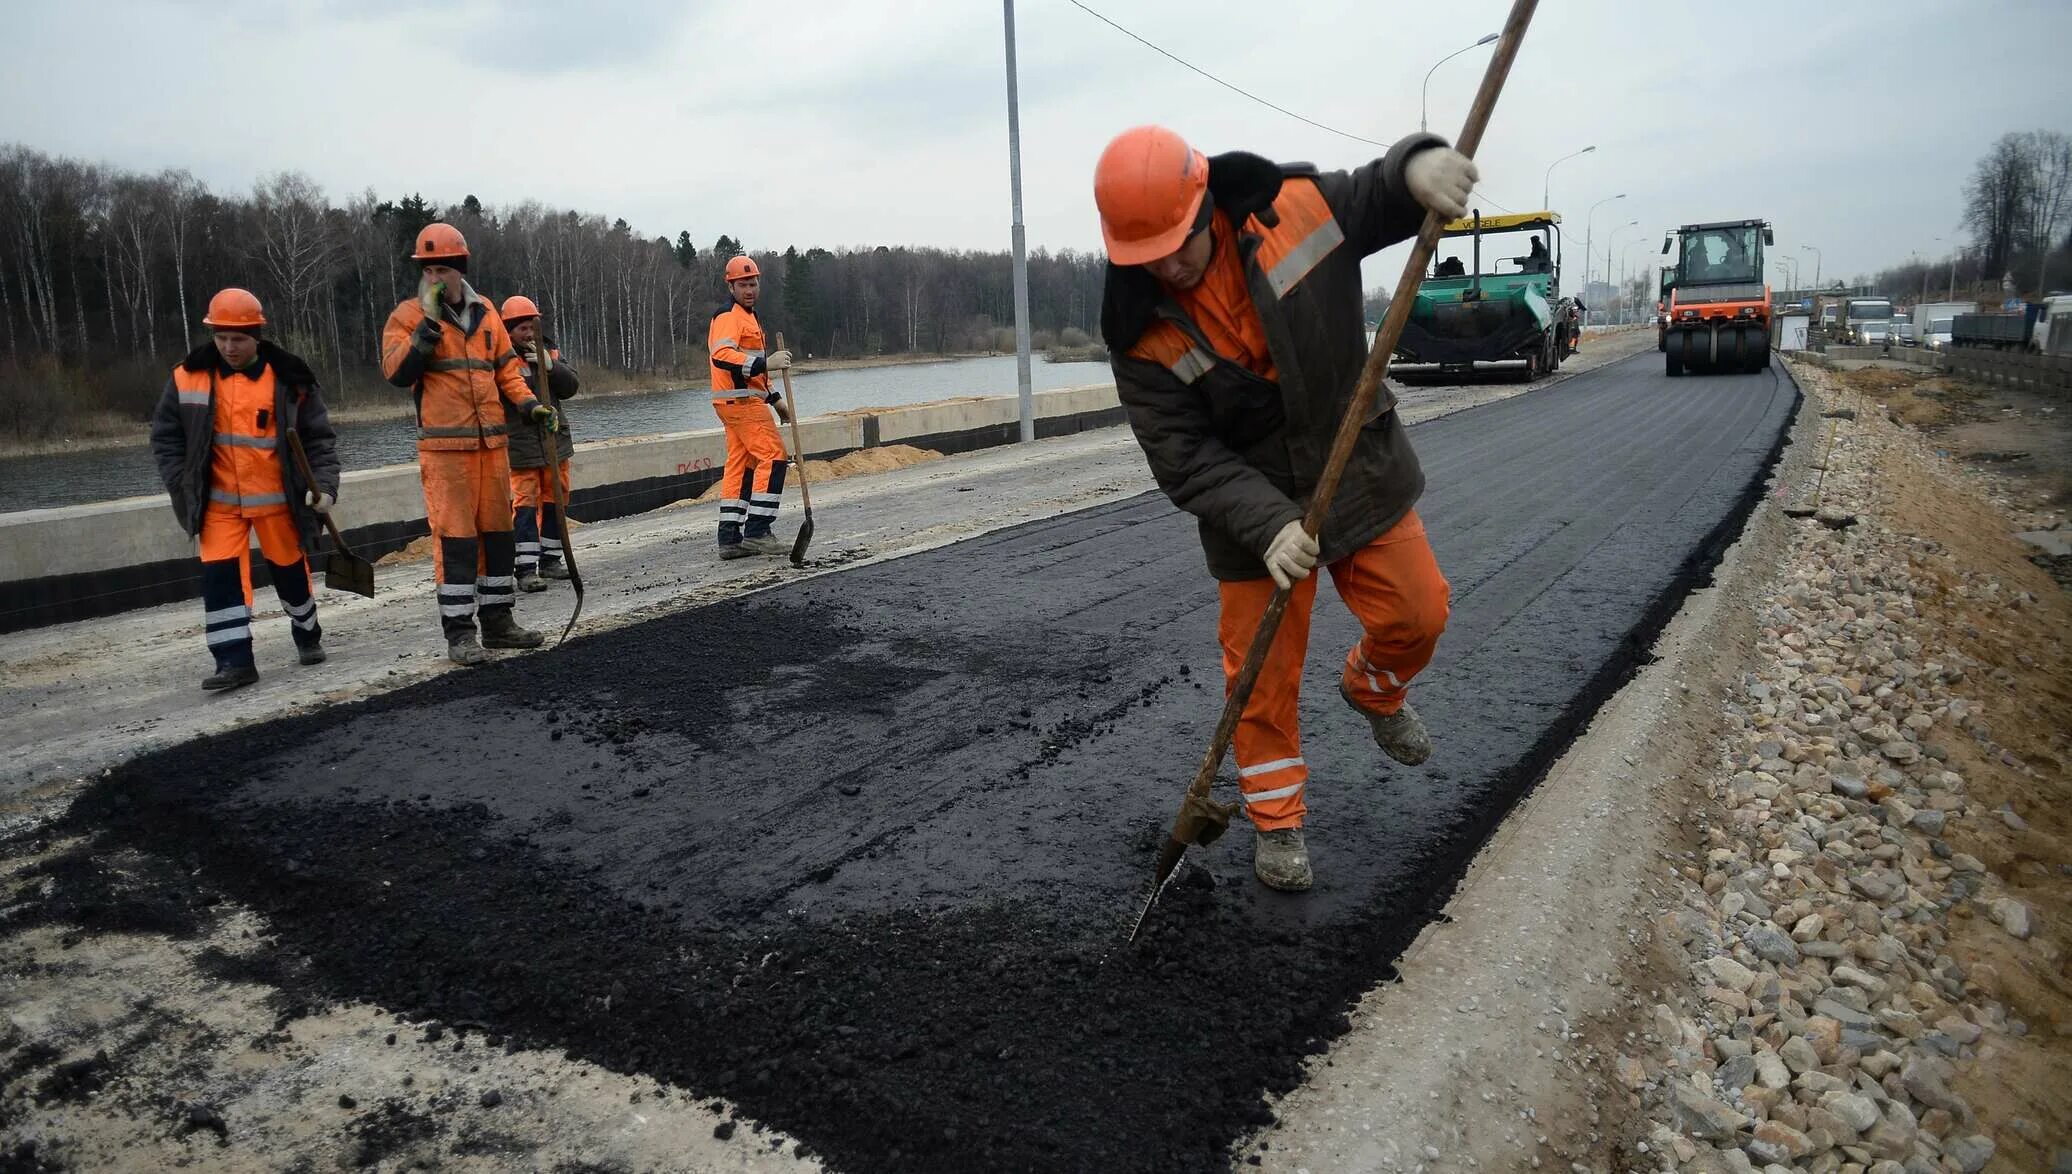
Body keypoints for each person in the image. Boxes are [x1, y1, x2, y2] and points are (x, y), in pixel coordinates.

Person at [1095, 125, 1473, 892]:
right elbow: (1182, 455)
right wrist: (1267, 525)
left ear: (1207, 202)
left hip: (1353, 457)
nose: (1170, 265)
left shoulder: (1291, 208)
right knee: (1260, 678)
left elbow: (1374, 196)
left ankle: (1373, 688)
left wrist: (1417, 168)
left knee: (1419, 612)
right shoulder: (1139, 335)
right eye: (1149, 257)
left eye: (1181, 242)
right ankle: (1277, 823)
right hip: (1249, 504)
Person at [380, 223, 557, 664]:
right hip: (446, 453)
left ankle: (498, 622)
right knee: (455, 541)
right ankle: (460, 633)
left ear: (461, 270)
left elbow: (506, 373)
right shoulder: (407, 317)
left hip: (492, 448)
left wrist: (531, 405)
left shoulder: (487, 317)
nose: (435, 279)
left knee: (498, 536)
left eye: (443, 269)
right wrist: (426, 330)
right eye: (428, 270)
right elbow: (396, 373)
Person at [150, 288, 339, 691]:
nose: (229, 347)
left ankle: (307, 633)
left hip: (277, 504)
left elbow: (319, 440)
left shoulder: (290, 379)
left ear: (257, 336)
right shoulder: (187, 377)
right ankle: (234, 662)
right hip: (218, 506)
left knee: (292, 576)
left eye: (238, 338)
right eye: (221, 337)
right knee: (220, 580)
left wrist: (323, 488)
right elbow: (166, 438)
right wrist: (181, 486)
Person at [707, 255, 794, 558]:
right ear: (731, 285)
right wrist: (764, 362)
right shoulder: (728, 316)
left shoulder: (749, 317)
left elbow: (754, 373)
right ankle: (758, 531)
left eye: (754, 283)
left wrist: (775, 398)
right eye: (743, 284)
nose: (750, 289)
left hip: (738, 400)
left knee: (741, 465)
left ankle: (730, 538)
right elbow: (723, 356)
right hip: (740, 401)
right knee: (773, 456)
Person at [497, 295, 581, 591]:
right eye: (522, 329)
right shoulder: (502, 358)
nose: (529, 334)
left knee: (557, 497)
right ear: (508, 330)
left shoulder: (550, 350)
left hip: (555, 441)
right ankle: (525, 568)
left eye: (532, 327)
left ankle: (550, 560)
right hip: (522, 444)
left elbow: (570, 386)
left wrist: (550, 367)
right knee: (525, 504)